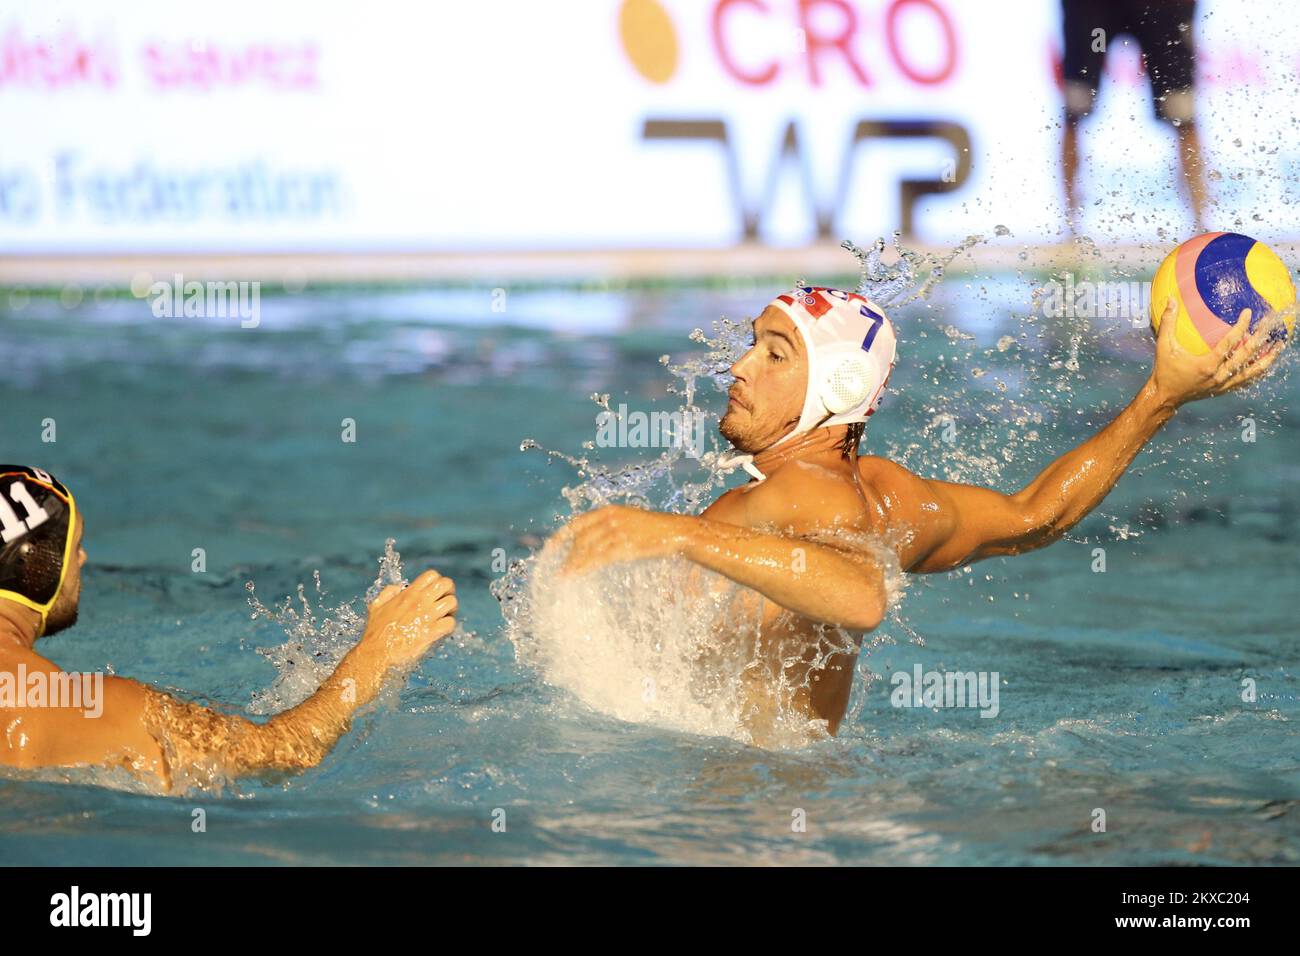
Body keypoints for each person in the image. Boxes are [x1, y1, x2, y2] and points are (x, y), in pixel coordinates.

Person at [549, 286, 1283, 743]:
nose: (739, 367)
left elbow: (860, 595)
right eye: (751, 346)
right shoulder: (888, 494)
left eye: (774, 355)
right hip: (798, 793)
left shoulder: (802, 495)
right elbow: (1038, 515)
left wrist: (675, 531)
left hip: (742, 812)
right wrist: (1159, 396)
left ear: (837, 386)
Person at [0, 465, 457, 791]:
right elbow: (283, 751)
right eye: (75, 545)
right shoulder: (99, 707)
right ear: (40, 565)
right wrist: (377, 651)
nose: (83, 559)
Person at [1060, 0, 1206, 232]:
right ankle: (1069, 229)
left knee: (1182, 110)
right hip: (1094, 10)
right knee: (1076, 106)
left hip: (1161, 7)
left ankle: (1201, 224)